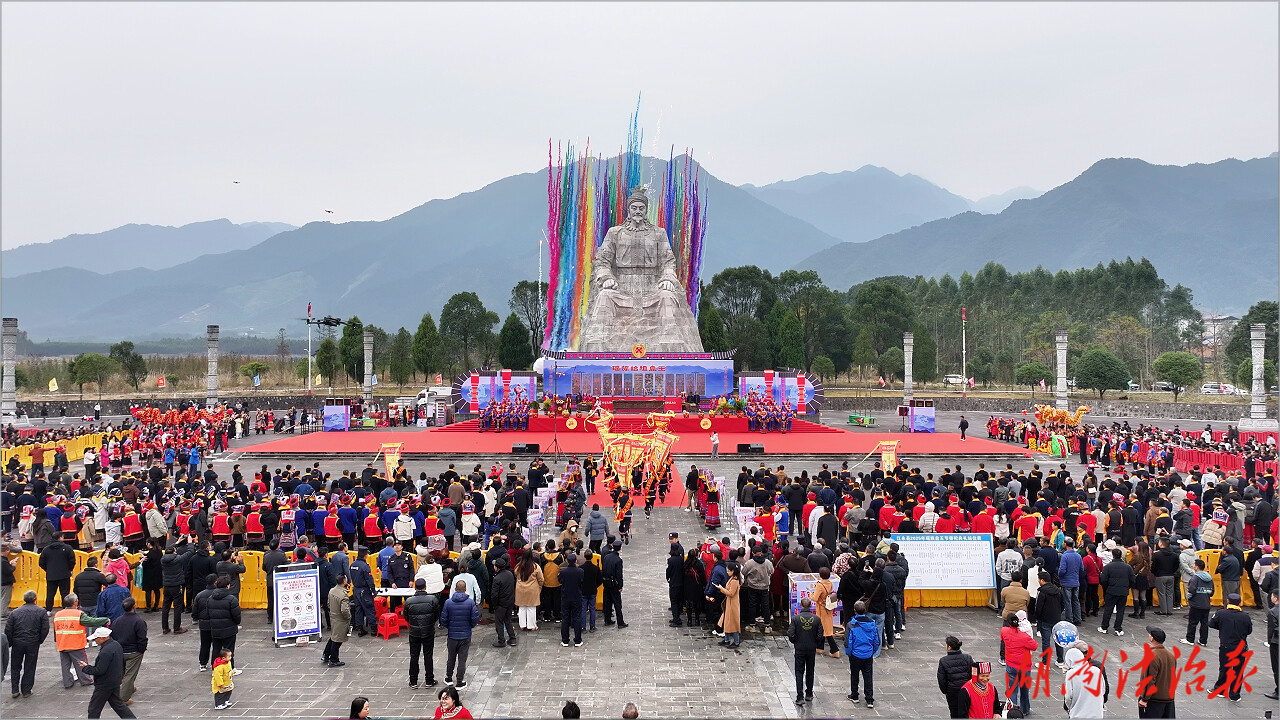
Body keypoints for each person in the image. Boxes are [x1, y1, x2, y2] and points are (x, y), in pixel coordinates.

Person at [54, 592, 109, 688]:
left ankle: (67, 682)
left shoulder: (58, 614)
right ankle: (85, 680)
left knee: (65, 665)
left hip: (62, 643)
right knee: (81, 663)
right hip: (75, 644)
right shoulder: (78, 614)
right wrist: (104, 620)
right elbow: (91, 621)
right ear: (75, 603)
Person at [78, 626, 136, 718]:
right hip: (114, 681)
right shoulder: (116, 645)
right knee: (119, 706)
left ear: (103, 638)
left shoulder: (105, 651)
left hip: (104, 684)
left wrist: (86, 667)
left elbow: (99, 670)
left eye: (96, 638)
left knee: (94, 709)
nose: (95, 640)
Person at [5, 589, 49, 698]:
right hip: (32, 642)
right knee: (30, 666)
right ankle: (26, 690)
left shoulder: (15, 612)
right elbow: (45, 628)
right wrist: (39, 640)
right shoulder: (41, 611)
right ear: (35, 599)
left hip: (17, 642)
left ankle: (15, 689)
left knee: (15, 666)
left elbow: (8, 629)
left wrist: (10, 642)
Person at [1208, 592, 1252, 702]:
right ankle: (1235, 694)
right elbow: (1249, 631)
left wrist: (1223, 628)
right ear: (1240, 603)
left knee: (1224, 668)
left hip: (1226, 646)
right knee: (1238, 671)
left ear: (1228, 602)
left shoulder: (1221, 613)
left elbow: (1211, 624)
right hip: (1240, 647)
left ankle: (1220, 690)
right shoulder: (1245, 617)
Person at [439, 579, 480, 688]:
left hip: (452, 635)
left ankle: (448, 677)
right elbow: (475, 618)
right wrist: (469, 627)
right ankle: (459, 681)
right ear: (466, 589)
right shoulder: (470, 602)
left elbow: (443, 619)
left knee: (451, 657)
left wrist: (450, 627)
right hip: (465, 635)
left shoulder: (448, 602)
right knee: (462, 659)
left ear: (455, 589)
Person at [404, 577, 440, 687]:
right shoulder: (432, 599)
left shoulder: (409, 601)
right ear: (425, 587)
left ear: (415, 588)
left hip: (414, 632)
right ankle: (429, 680)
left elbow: (406, 617)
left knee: (414, 656)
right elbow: (436, 615)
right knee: (428, 655)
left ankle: (413, 681)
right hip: (428, 631)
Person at [111, 596, 148, 704]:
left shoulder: (116, 621)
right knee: (130, 674)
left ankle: (129, 688)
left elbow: (113, 635)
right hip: (133, 652)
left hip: (120, 650)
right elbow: (142, 638)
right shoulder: (139, 621)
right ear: (134, 606)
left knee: (122, 672)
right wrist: (141, 650)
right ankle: (123, 698)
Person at [787, 596, 822, 705]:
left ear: (801, 605)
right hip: (811, 648)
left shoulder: (796, 619)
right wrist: (815, 643)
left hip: (800, 648)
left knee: (799, 672)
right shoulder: (816, 619)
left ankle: (800, 696)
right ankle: (809, 693)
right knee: (810, 671)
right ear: (811, 606)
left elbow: (790, 633)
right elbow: (820, 635)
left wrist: (795, 642)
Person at [844, 600, 879, 709]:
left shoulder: (851, 625)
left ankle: (855, 695)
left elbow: (848, 642)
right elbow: (876, 641)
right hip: (868, 654)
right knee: (868, 676)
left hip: (855, 654)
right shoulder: (872, 624)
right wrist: (871, 651)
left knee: (854, 675)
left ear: (855, 611)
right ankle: (869, 699)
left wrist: (849, 653)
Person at [1136, 626, 1176, 717]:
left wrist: (1144, 699)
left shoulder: (1151, 656)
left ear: (1152, 638)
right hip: (1168, 698)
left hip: (1155, 700)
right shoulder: (1171, 655)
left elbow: (1149, 679)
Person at [205, 576, 242, 674]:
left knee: (216, 649)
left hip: (215, 629)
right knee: (229, 649)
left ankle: (215, 669)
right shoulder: (232, 599)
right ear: (228, 586)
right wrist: (236, 623)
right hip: (229, 629)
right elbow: (237, 615)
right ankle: (230, 669)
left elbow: (208, 614)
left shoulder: (210, 599)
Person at [1098, 547, 1134, 636]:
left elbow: (1103, 580)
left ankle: (1104, 627)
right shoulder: (1128, 567)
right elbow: (1133, 580)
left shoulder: (1108, 567)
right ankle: (1118, 628)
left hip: (1111, 591)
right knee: (1120, 610)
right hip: (1123, 591)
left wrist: (1107, 588)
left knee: (1108, 609)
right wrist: (1127, 587)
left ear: (1113, 555)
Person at [937, 635, 974, 718]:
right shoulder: (968, 658)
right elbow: (973, 674)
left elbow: (941, 679)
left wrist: (946, 691)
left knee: (954, 712)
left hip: (952, 692)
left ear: (949, 647)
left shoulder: (943, 660)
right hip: (967, 690)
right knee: (967, 711)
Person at [1063, 646, 1105, 718]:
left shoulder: (1071, 673)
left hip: (1078, 714)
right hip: (1096, 714)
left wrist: (1071, 708)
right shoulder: (1096, 670)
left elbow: (1068, 696)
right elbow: (1103, 690)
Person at [39, 533, 76, 612]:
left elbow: (41, 562)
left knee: (50, 594)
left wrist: (48, 569)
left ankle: (48, 610)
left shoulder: (46, 549)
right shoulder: (67, 548)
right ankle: (65, 609)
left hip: (51, 575)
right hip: (64, 574)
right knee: (65, 593)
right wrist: (69, 569)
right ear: (60, 538)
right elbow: (72, 561)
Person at [1184, 558, 1214, 645]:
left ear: (1196, 567)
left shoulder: (1195, 578)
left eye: (1194, 564)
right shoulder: (1209, 578)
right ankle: (1203, 640)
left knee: (1192, 623)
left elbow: (1191, 590)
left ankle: (1190, 639)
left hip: (1196, 604)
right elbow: (1212, 592)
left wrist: (1188, 597)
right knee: (1204, 623)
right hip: (1206, 604)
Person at [559, 553, 586, 647]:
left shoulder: (563, 572)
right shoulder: (580, 571)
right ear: (575, 561)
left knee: (565, 618)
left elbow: (560, 581)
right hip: (576, 597)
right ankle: (578, 640)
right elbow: (582, 582)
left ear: (567, 561)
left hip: (566, 597)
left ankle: (565, 640)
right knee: (577, 618)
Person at [324, 574, 350, 668]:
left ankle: (326, 655)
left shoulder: (332, 590)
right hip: (341, 620)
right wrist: (348, 617)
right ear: (344, 581)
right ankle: (334, 660)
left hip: (333, 617)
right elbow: (344, 610)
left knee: (333, 636)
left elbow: (328, 603)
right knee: (338, 640)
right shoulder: (343, 595)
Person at [812, 566, 840, 657]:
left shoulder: (819, 585)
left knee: (826, 630)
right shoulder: (830, 583)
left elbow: (815, 598)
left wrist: (811, 595)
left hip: (821, 609)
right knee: (824, 627)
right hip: (828, 608)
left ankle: (834, 650)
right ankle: (820, 647)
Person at [489, 555, 516, 647]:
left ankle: (501, 640)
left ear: (497, 567)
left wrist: (495, 605)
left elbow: (494, 594)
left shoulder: (497, 579)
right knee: (508, 620)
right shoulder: (510, 574)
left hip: (501, 604)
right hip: (510, 602)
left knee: (499, 622)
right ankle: (512, 638)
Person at [713, 562, 742, 648]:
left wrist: (721, 588)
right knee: (727, 622)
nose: (727, 572)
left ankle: (736, 642)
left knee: (733, 623)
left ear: (733, 571)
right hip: (729, 603)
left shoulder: (734, 581)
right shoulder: (732, 578)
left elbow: (731, 593)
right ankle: (727, 639)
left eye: (728, 571)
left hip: (732, 605)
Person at [514, 552, 544, 632]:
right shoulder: (535, 566)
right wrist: (539, 587)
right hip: (532, 589)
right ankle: (532, 626)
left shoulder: (518, 566)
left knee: (522, 607)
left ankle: (522, 625)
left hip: (520, 589)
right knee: (531, 608)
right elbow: (541, 579)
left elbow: (516, 574)